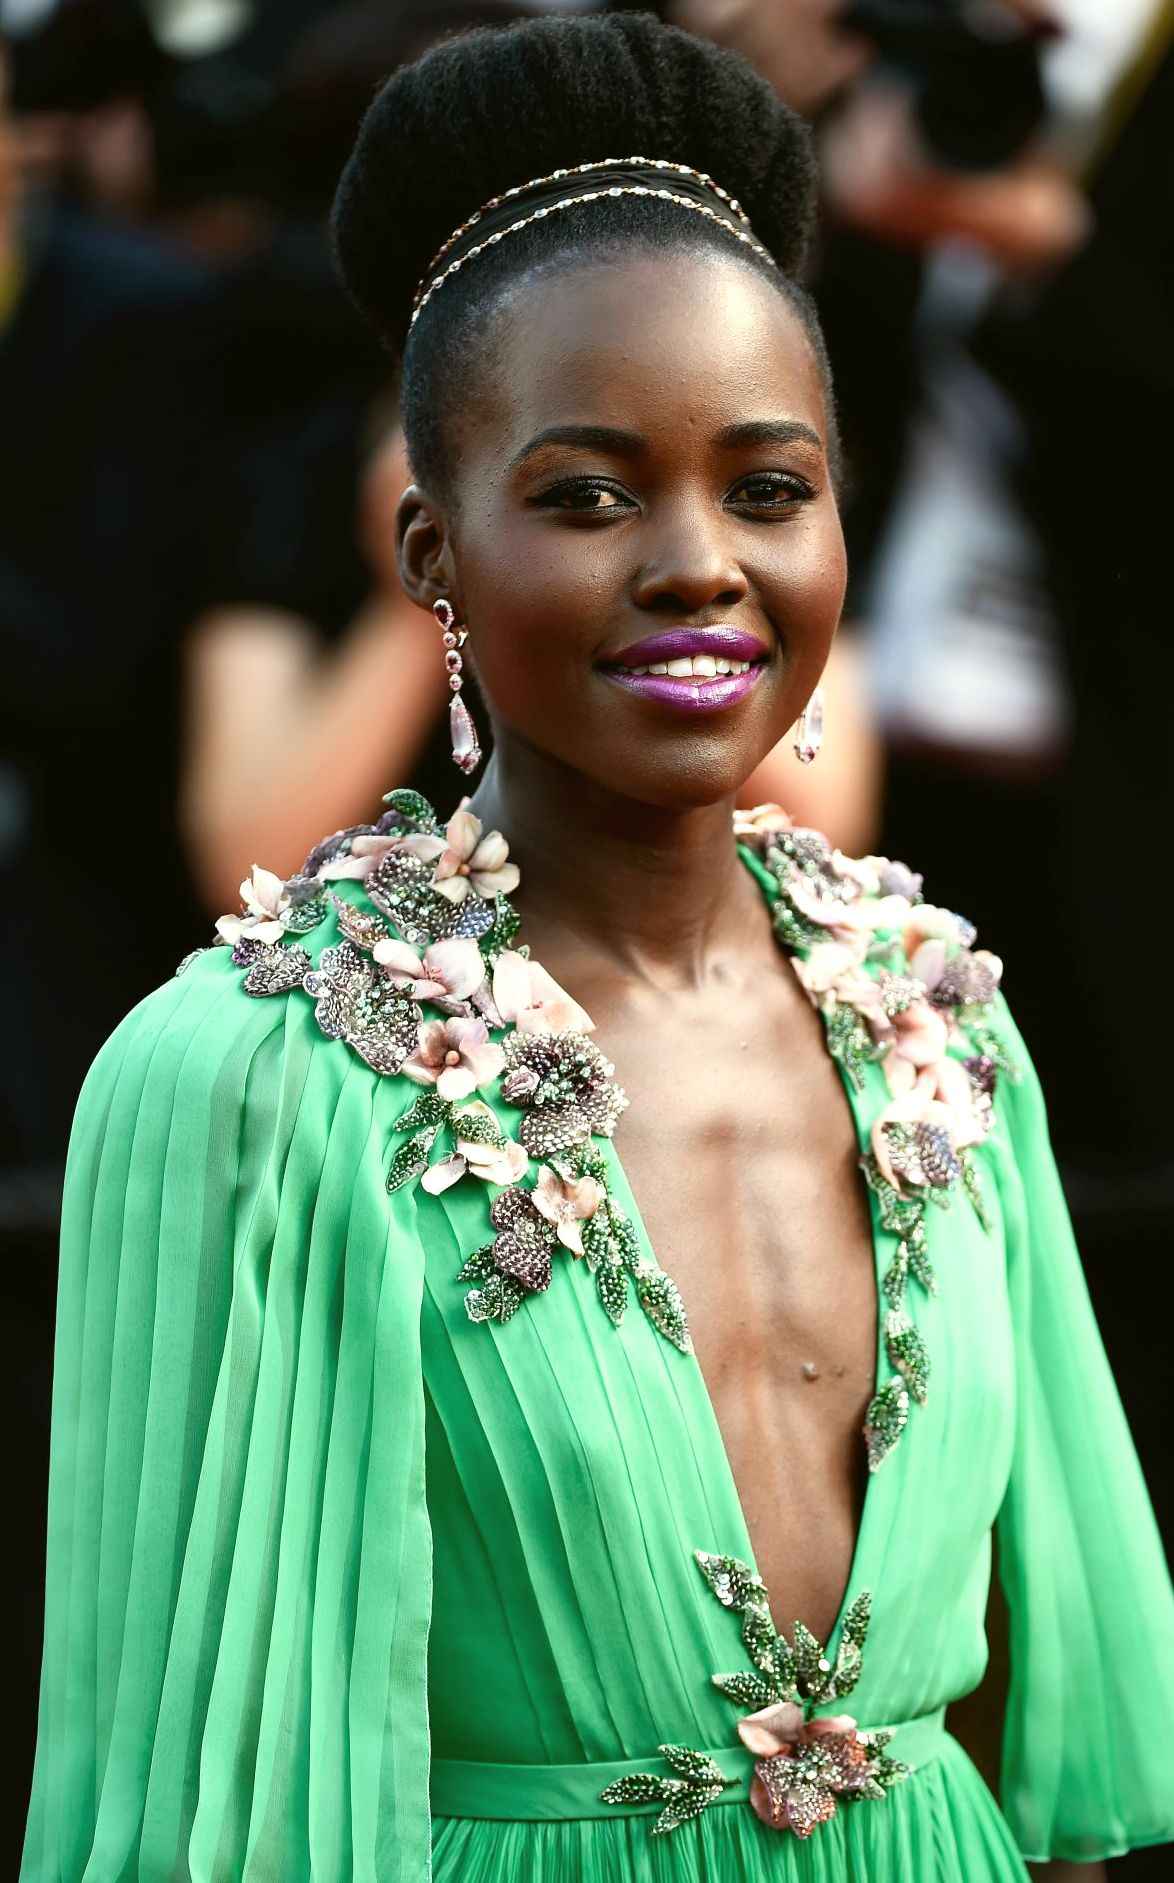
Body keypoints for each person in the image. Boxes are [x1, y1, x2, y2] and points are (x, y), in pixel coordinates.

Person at [20, 15, 1174, 1881]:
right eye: (585, 493)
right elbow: (201, 1807)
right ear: (428, 551)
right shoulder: (252, 1073)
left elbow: (1061, 1767)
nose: (698, 560)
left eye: (768, 487)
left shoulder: (941, 1023)